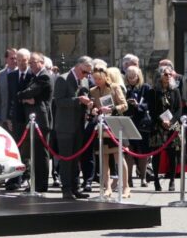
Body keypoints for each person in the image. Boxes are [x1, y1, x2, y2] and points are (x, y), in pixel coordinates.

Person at [52, 56, 93, 199]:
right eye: (84, 72)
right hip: (65, 127)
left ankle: (76, 188)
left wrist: (89, 104)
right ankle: (66, 189)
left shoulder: (85, 81)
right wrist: (78, 100)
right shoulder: (63, 79)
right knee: (66, 159)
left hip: (79, 125)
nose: (86, 75)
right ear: (77, 67)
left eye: (88, 73)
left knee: (76, 159)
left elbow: (85, 98)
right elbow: (59, 102)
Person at [88, 65, 129, 196]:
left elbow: (125, 105)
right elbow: (93, 108)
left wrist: (112, 109)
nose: (97, 81)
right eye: (95, 79)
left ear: (106, 77)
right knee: (103, 158)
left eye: (99, 79)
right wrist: (93, 109)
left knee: (119, 158)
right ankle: (107, 187)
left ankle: (126, 187)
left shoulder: (115, 87)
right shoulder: (92, 91)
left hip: (115, 125)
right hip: (101, 126)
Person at [17, 51, 52, 193]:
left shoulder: (44, 76)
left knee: (41, 154)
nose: (30, 65)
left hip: (41, 120)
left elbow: (28, 92)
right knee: (35, 154)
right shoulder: (35, 77)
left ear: (42, 63)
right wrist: (26, 97)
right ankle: (35, 183)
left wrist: (25, 97)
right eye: (30, 62)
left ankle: (41, 185)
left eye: (33, 62)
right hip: (34, 119)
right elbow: (25, 93)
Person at [149, 66, 183, 192]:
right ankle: (156, 181)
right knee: (156, 154)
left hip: (173, 124)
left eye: (170, 74)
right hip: (158, 125)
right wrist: (161, 121)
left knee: (173, 154)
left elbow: (179, 109)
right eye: (165, 74)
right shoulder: (153, 92)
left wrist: (172, 121)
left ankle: (172, 180)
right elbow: (152, 111)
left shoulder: (175, 90)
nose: (168, 76)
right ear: (159, 76)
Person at [123, 65, 153, 188]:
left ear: (138, 76)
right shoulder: (125, 88)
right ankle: (129, 179)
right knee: (129, 152)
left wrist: (138, 105)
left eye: (133, 77)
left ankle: (143, 177)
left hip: (142, 123)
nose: (131, 79)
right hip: (129, 122)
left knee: (143, 152)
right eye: (129, 77)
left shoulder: (145, 87)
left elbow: (149, 104)